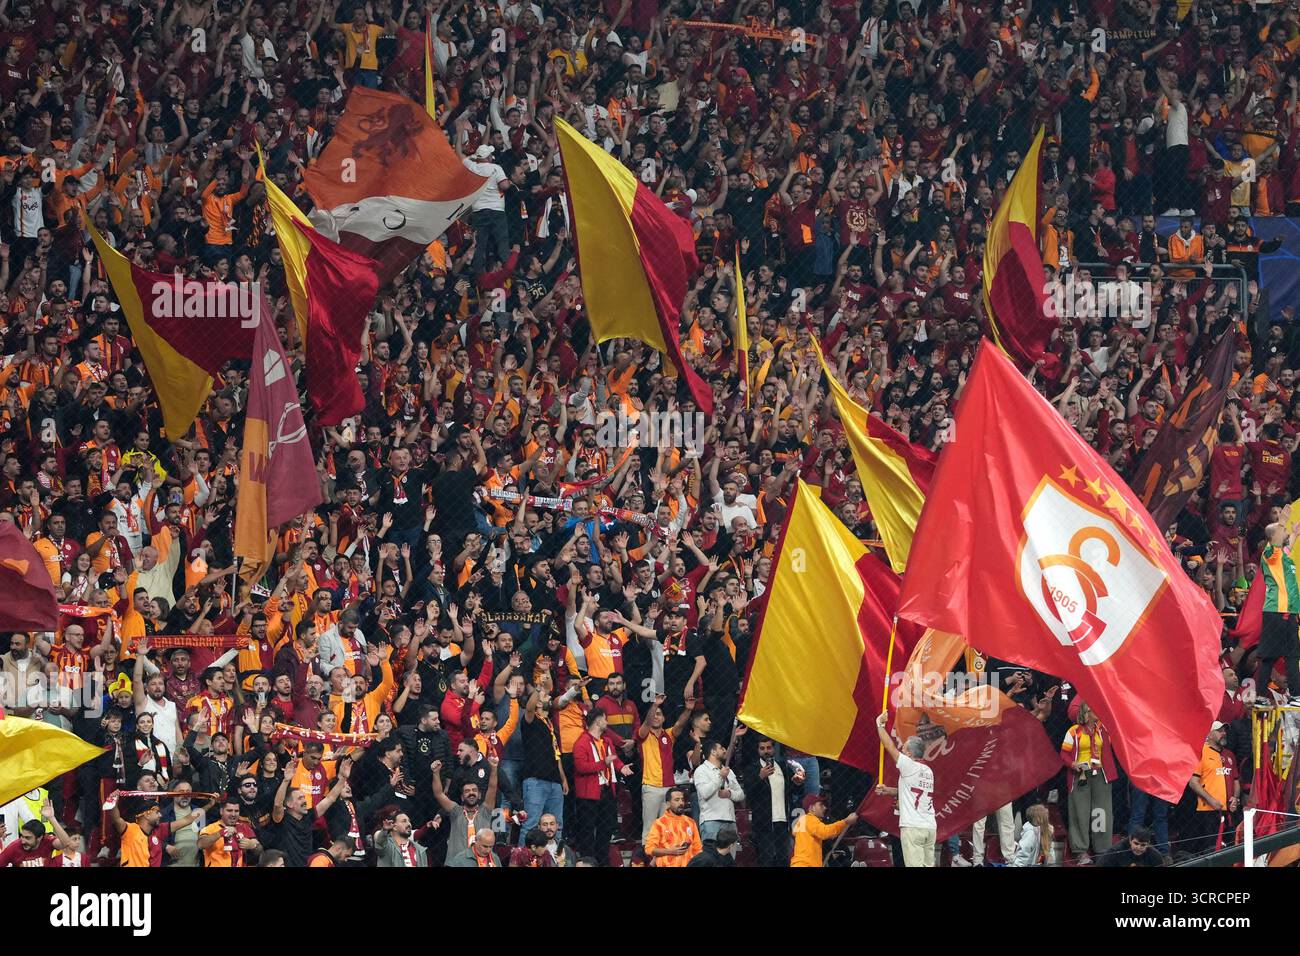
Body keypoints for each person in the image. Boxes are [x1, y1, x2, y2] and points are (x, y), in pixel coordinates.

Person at [876, 712, 935, 867]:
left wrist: (880, 725)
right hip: (929, 826)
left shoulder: (909, 766)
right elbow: (910, 790)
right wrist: (888, 791)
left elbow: (889, 746)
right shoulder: (928, 771)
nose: (901, 750)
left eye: (904, 749)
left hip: (913, 827)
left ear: (910, 753)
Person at [1060, 702, 1116, 864]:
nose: (1098, 713)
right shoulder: (1074, 731)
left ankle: (1102, 849)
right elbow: (1063, 754)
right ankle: (1081, 851)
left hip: (1100, 774)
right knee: (1080, 812)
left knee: (1101, 811)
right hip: (1080, 775)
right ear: (1086, 713)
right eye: (1094, 710)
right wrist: (1073, 765)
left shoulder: (1103, 730)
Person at [1187, 721, 1240, 856]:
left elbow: (1236, 780)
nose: (1224, 733)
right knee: (1211, 850)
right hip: (1208, 811)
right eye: (1219, 731)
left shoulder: (1229, 755)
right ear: (1209, 734)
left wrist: (1236, 798)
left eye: (1224, 731)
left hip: (1229, 811)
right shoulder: (1201, 752)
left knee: (1230, 849)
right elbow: (1193, 782)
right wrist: (1210, 800)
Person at [693, 736, 745, 842]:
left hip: (730, 820)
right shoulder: (701, 770)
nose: (725, 750)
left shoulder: (729, 771)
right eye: (721, 748)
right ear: (713, 752)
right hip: (711, 821)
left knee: (730, 858)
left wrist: (729, 793)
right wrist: (720, 776)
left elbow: (741, 794)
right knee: (712, 857)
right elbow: (705, 793)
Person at [790, 793, 856, 868]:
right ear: (812, 808)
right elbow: (825, 832)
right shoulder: (809, 819)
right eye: (821, 805)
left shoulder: (803, 821)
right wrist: (845, 821)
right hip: (807, 864)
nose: (824, 807)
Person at [643, 787, 701, 867]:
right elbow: (649, 849)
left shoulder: (690, 822)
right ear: (668, 804)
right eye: (677, 800)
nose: (681, 803)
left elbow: (698, 849)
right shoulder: (659, 823)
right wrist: (670, 851)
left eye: (682, 800)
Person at [1099, 827, 1165, 867]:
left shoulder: (1154, 855)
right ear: (1130, 840)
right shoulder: (1116, 851)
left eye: (1143, 845)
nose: (1138, 847)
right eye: (1136, 843)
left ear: (1148, 843)